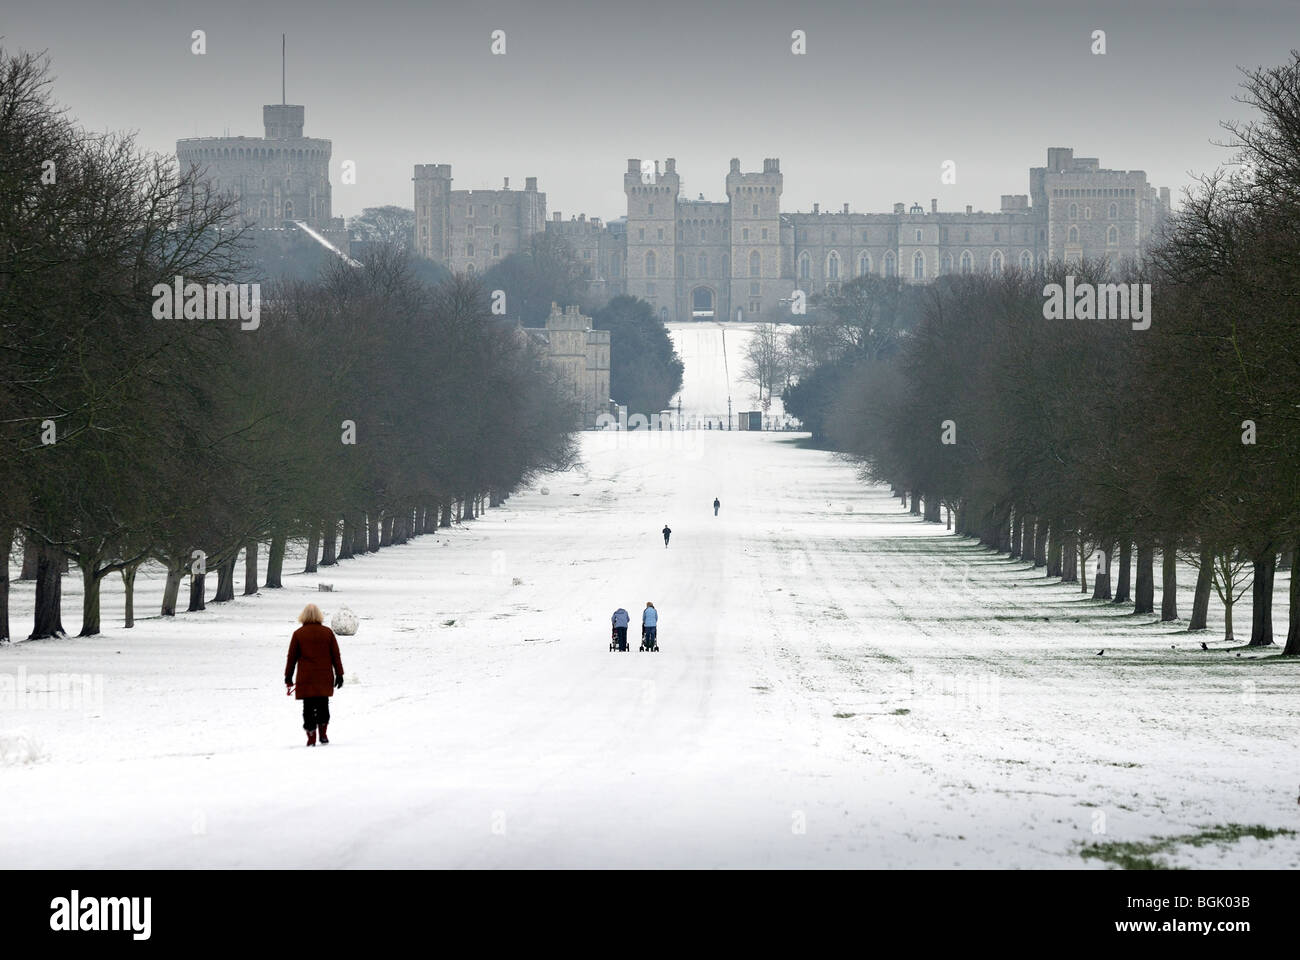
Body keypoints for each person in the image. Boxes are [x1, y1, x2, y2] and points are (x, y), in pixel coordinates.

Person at [284, 603, 344, 746]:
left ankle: (311, 736)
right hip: (324, 676)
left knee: (308, 707)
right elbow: (336, 655)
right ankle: (323, 734)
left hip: (306, 677)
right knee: (323, 704)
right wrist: (339, 674)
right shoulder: (327, 633)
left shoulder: (298, 634)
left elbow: (291, 657)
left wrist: (288, 676)